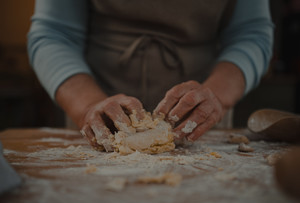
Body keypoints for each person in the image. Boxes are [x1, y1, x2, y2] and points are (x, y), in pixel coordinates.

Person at [27, 0, 274, 149]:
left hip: (202, 116)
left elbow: (251, 33)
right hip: (93, 99)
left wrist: (218, 95)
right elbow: (55, 33)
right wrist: (88, 105)